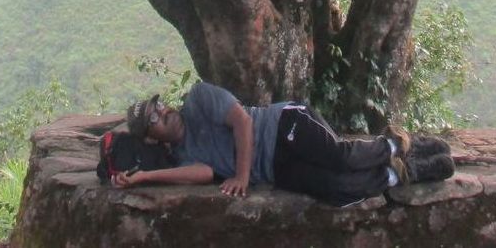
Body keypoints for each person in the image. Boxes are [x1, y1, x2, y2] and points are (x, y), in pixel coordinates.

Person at [113, 81, 454, 207]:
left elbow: (242, 121)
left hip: (281, 125)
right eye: (153, 117)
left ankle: (396, 144)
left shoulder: (199, 99)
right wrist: (143, 178)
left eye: (158, 105)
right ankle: (405, 172)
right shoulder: (182, 156)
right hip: (274, 167)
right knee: (334, 190)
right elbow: (203, 174)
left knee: (338, 157)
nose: (162, 110)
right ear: (149, 136)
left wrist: (242, 175)